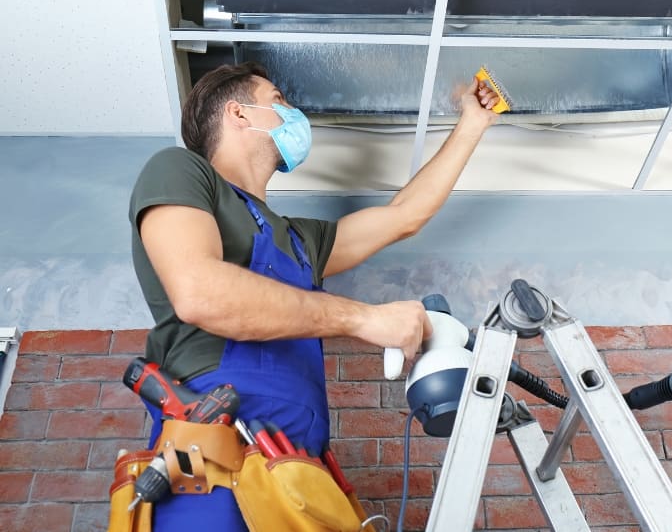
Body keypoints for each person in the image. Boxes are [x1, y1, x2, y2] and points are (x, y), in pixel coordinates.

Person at [128, 61, 500, 530]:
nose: (293, 112)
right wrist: (362, 318)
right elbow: (201, 292)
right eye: (279, 100)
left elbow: (405, 215)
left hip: (299, 471)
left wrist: (473, 122)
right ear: (239, 114)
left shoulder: (299, 240)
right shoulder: (180, 170)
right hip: (208, 458)